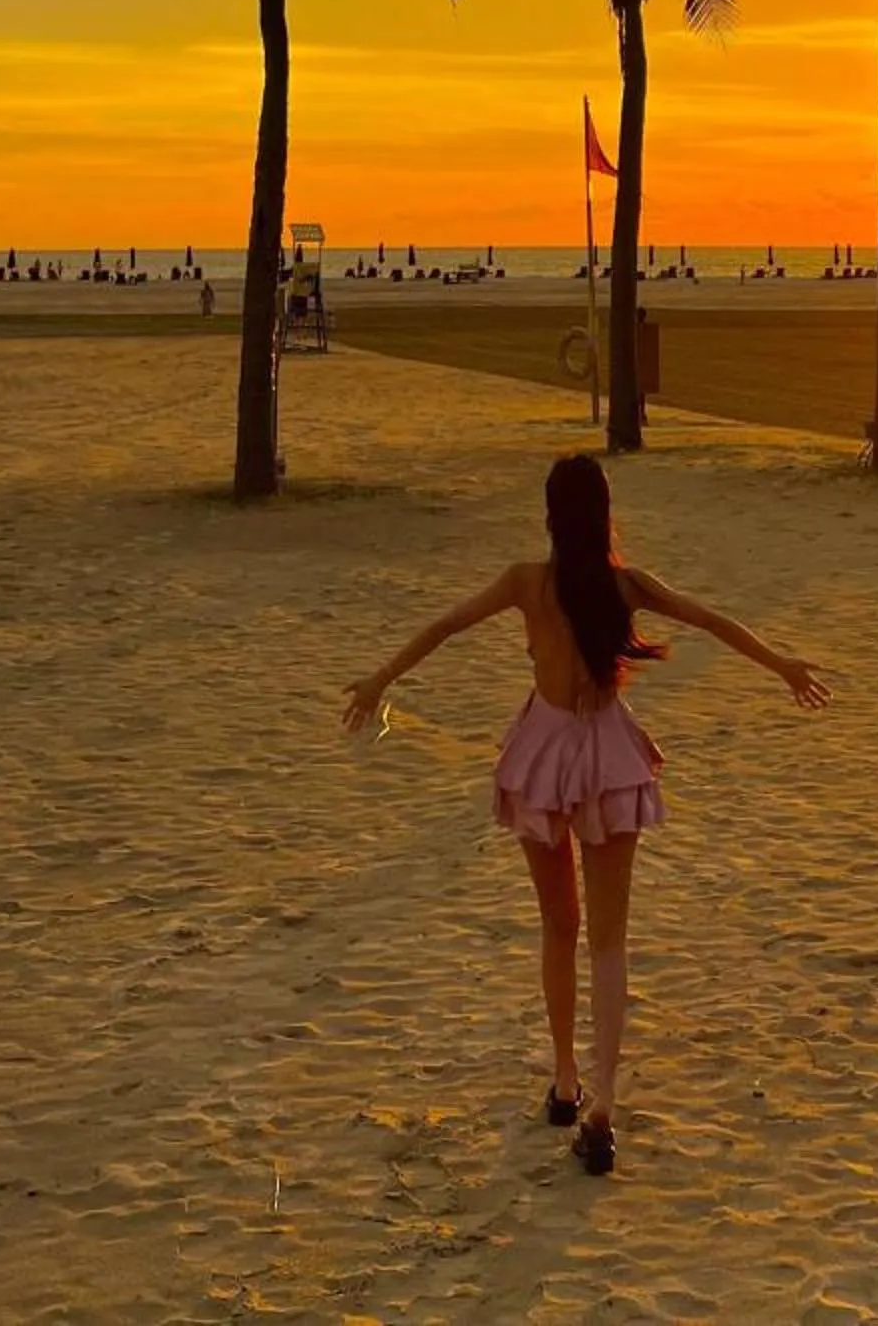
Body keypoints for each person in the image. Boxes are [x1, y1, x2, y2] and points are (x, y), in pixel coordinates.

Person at [340, 451, 828, 1176]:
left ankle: (568, 1079)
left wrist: (381, 678)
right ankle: (597, 1101)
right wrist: (783, 665)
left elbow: (446, 626)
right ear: (603, 517)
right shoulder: (621, 586)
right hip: (604, 751)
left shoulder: (528, 584)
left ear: (549, 516)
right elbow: (710, 618)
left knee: (561, 927)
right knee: (606, 939)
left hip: (545, 748)